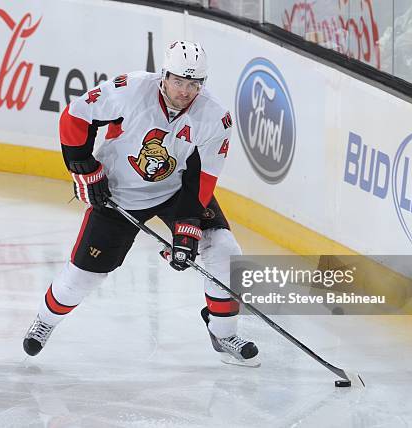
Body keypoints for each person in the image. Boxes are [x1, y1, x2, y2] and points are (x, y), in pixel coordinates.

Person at [23, 40, 259, 367]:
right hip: (119, 192)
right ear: (163, 75)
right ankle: (44, 321)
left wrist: (186, 231)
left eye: (194, 83)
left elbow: (202, 177)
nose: (185, 90)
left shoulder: (215, 118)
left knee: (224, 249)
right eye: (178, 80)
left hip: (177, 191)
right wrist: (85, 169)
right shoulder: (131, 89)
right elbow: (75, 116)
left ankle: (223, 331)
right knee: (82, 277)